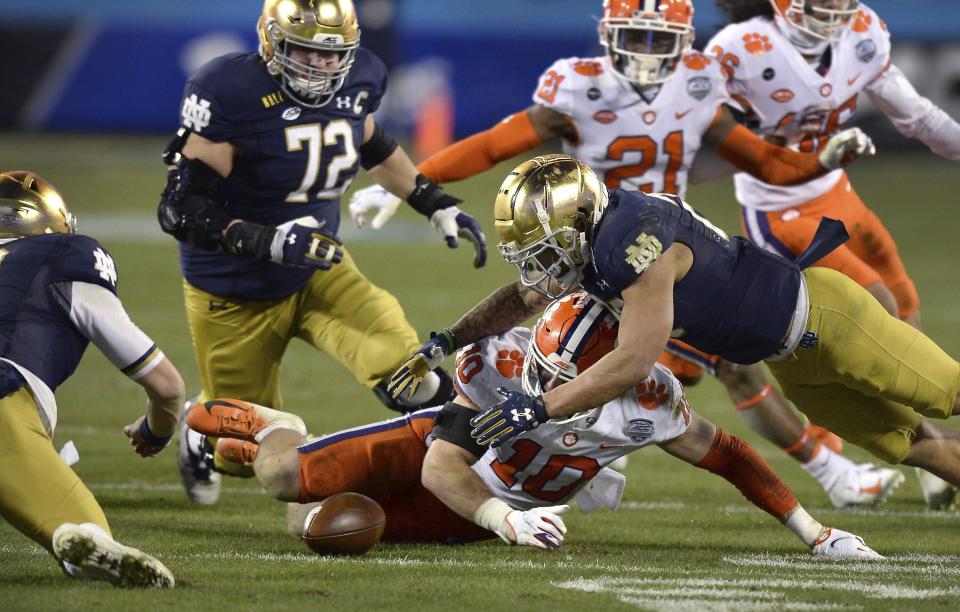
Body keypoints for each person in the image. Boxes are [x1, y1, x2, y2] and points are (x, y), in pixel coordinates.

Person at [352, 0, 898, 508]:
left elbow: (767, 164)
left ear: (684, 42)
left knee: (689, 373)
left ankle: (826, 471)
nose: (646, 53)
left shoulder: (697, 84)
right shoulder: (580, 87)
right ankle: (827, 472)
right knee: (595, 371)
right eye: (634, 36)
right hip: (583, 255)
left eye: (660, 41)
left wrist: (820, 160)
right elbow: (497, 144)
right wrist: (411, 184)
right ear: (608, 36)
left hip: (665, 256)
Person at [396, 155, 960, 491]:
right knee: (908, 444)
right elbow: (520, 300)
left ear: (579, 224)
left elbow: (633, 362)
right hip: (791, 362)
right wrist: (447, 339)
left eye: (548, 250)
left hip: (830, 319)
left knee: (948, 394)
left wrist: (540, 406)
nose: (542, 267)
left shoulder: (632, 242)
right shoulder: (596, 238)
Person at [186, 293, 879, 558]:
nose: (540, 383)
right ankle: (282, 423)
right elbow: (441, 466)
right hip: (437, 456)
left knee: (314, 531)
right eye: (541, 367)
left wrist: (814, 535)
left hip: (483, 511)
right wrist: (506, 521)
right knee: (282, 478)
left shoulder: (647, 400)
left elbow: (726, 454)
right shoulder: (499, 360)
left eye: (563, 378)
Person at [157, 0, 487, 505]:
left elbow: (371, 141)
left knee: (407, 367)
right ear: (273, 43)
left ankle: (474, 467)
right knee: (242, 453)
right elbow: (180, 210)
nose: (321, 66)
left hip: (319, 268)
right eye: (306, 53)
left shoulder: (361, 76)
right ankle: (199, 429)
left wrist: (431, 201)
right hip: (234, 289)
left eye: (332, 56)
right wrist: (269, 240)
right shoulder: (232, 91)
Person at [706, 0, 960, 506]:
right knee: (877, 311)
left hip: (836, 191)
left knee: (905, 304)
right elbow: (687, 110)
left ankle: (933, 455)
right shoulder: (740, 48)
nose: (832, 9)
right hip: (780, 210)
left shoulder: (862, 33)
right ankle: (913, 453)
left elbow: (916, 115)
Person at [0, 171, 184, 587]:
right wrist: (156, 432)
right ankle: (80, 539)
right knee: (86, 537)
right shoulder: (64, 252)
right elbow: (167, 386)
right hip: (6, 398)